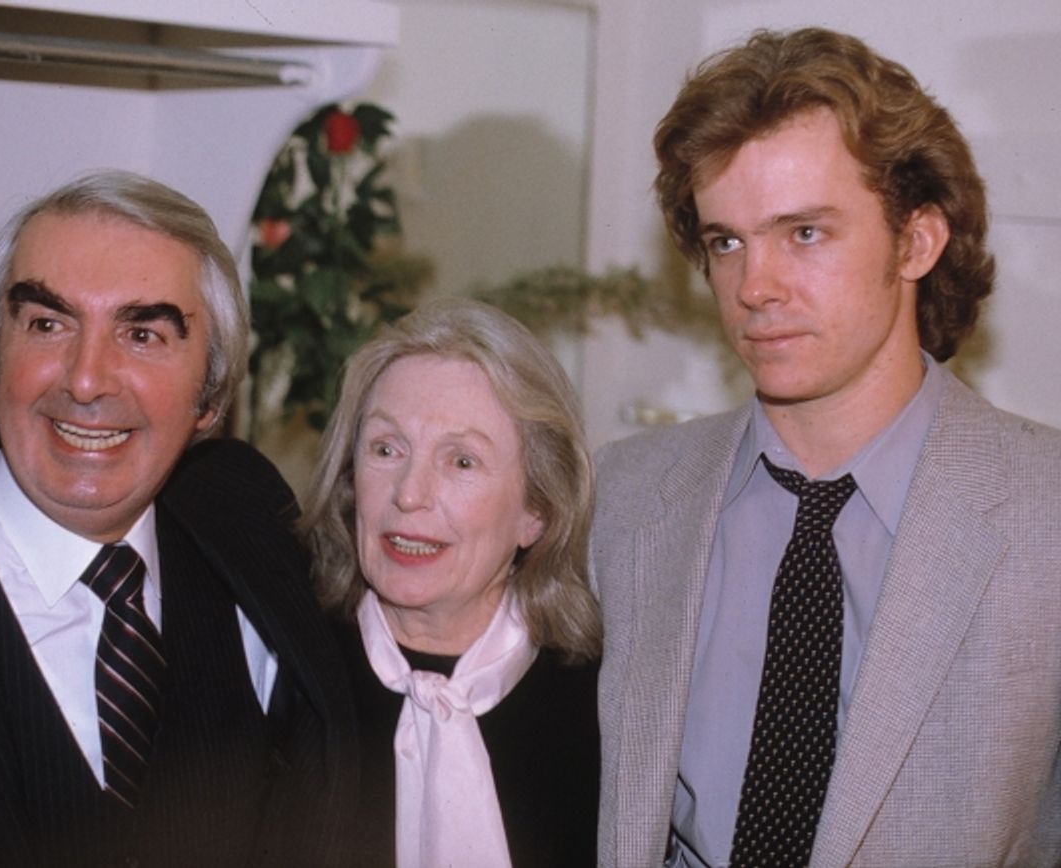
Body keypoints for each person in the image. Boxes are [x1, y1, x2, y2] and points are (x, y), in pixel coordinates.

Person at [591, 27, 1061, 867]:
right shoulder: (624, 498)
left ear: (917, 241)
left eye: (804, 233)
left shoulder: (1044, 516)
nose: (755, 287)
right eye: (727, 241)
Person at [0, 170, 357, 868]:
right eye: (48, 324)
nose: (86, 379)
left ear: (210, 396)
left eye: (143, 334)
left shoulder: (248, 513)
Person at [299, 297, 601, 868]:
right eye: (386, 449)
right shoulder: (289, 673)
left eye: (461, 461)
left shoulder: (605, 703)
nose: (409, 494)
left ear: (536, 511)